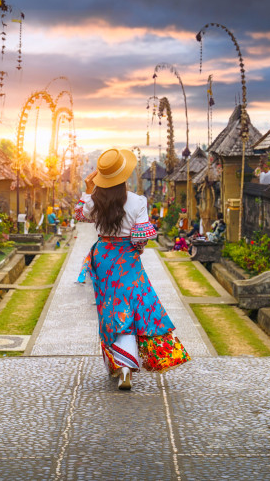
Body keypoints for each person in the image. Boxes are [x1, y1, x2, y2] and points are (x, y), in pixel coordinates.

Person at [75, 148, 189, 390]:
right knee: (131, 306)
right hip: (127, 256)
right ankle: (126, 366)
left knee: (110, 307)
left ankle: (119, 364)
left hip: (103, 256)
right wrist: (136, 249)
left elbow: (81, 216)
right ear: (124, 175)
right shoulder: (138, 201)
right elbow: (140, 237)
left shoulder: (95, 200)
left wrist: (87, 189)